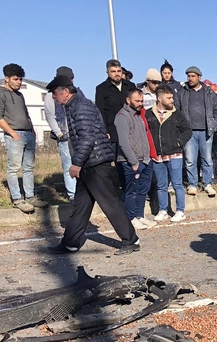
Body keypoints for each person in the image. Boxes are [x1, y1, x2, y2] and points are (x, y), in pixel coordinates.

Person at [46, 75, 139, 255]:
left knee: (110, 203)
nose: (54, 98)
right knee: (81, 206)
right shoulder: (74, 105)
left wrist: (77, 163)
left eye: (55, 94)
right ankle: (70, 243)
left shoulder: (81, 106)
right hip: (90, 162)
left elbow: (87, 137)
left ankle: (131, 240)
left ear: (65, 92)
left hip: (95, 163)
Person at [1, 63, 47, 214]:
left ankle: (30, 196)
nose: (19, 82)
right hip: (15, 135)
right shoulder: (1, 93)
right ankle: (17, 198)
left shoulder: (20, 95)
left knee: (29, 168)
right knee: (14, 168)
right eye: (15, 79)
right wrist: (13, 134)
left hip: (28, 134)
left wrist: (32, 130)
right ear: (6, 78)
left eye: (20, 79)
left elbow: (26, 115)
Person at [146, 84, 191, 223]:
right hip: (158, 156)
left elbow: (187, 130)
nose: (172, 100)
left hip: (175, 155)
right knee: (161, 185)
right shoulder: (148, 114)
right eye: (169, 97)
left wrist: (179, 142)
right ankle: (163, 210)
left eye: (172, 97)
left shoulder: (177, 114)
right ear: (159, 98)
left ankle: (180, 211)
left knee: (177, 184)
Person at [174, 66, 217, 197]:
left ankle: (207, 184)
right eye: (188, 76)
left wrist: (215, 124)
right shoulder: (182, 92)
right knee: (190, 160)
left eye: (193, 76)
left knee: (207, 159)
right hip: (189, 132)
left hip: (206, 131)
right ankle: (192, 184)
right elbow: (176, 110)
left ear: (199, 77)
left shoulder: (208, 92)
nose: (190, 78)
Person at [115, 89, 156, 230]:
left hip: (145, 159)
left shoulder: (139, 115)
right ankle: (131, 218)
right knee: (131, 191)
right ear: (128, 100)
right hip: (130, 161)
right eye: (137, 101)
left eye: (141, 101)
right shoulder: (122, 117)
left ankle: (140, 215)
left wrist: (148, 158)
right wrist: (133, 162)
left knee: (143, 190)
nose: (140, 104)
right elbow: (123, 142)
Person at [43, 66, 78, 202]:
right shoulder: (50, 95)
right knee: (68, 165)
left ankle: (81, 192)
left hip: (76, 133)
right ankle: (72, 194)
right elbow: (50, 115)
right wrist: (58, 133)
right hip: (63, 135)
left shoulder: (74, 93)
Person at [95, 59, 135, 144]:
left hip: (132, 129)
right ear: (107, 72)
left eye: (119, 71)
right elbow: (100, 112)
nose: (117, 74)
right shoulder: (101, 89)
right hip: (113, 131)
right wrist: (105, 131)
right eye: (113, 71)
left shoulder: (130, 86)